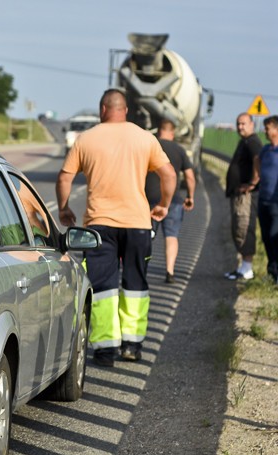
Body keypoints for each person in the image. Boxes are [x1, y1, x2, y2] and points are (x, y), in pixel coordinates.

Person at [56, 89, 176, 367]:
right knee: (135, 283)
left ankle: (105, 350)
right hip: (137, 223)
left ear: (102, 109)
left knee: (103, 287)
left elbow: (65, 177)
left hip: (99, 225)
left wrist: (64, 207)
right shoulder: (145, 137)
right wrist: (163, 205)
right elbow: (168, 174)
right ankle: (132, 345)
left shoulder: (86, 139)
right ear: (126, 110)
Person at [144, 119, 197, 283]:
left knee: (146, 236)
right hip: (173, 200)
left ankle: (142, 270)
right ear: (172, 133)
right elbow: (189, 176)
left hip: (150, 200)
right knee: (171, 236)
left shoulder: (149, 146)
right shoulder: (180, 150)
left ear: (158, 130)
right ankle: (170, 271)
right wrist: (190, 196)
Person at [224, 113, 263, 280]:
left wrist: (253, 182)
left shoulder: (253, 141)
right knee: (238, 227)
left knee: (244, 226)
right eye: (238, 124)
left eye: (244, 124)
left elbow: (257, 159)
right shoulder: (244, 141)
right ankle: (243, 267)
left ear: (252, 124)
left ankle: (247, 268)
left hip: (246, 196)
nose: (240, 127)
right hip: (238, 194)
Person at [255, 115, 278, 284]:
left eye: (267, 127)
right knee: (265, 238)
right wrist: (259, 178)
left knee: (274, 237)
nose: (265, 131)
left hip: (276, 203)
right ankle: (271, 272)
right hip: (263, 200)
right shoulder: (266, 149)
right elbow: (257, 161)